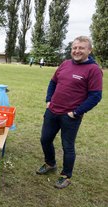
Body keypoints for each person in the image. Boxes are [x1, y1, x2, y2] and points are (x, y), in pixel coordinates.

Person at [36, 36, 103, 189]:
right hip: (52, 111)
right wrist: (48, 100)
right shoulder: (65, 64)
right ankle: (50, 163)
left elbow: (96, 96)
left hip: (70, 116)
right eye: (74, 48)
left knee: (68, 146)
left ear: (89, 50)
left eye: (81, 48)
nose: (77, 51)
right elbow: (53, 82)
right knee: (45, 139)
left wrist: (76, 112)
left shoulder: (93, 70)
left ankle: (66, 175)